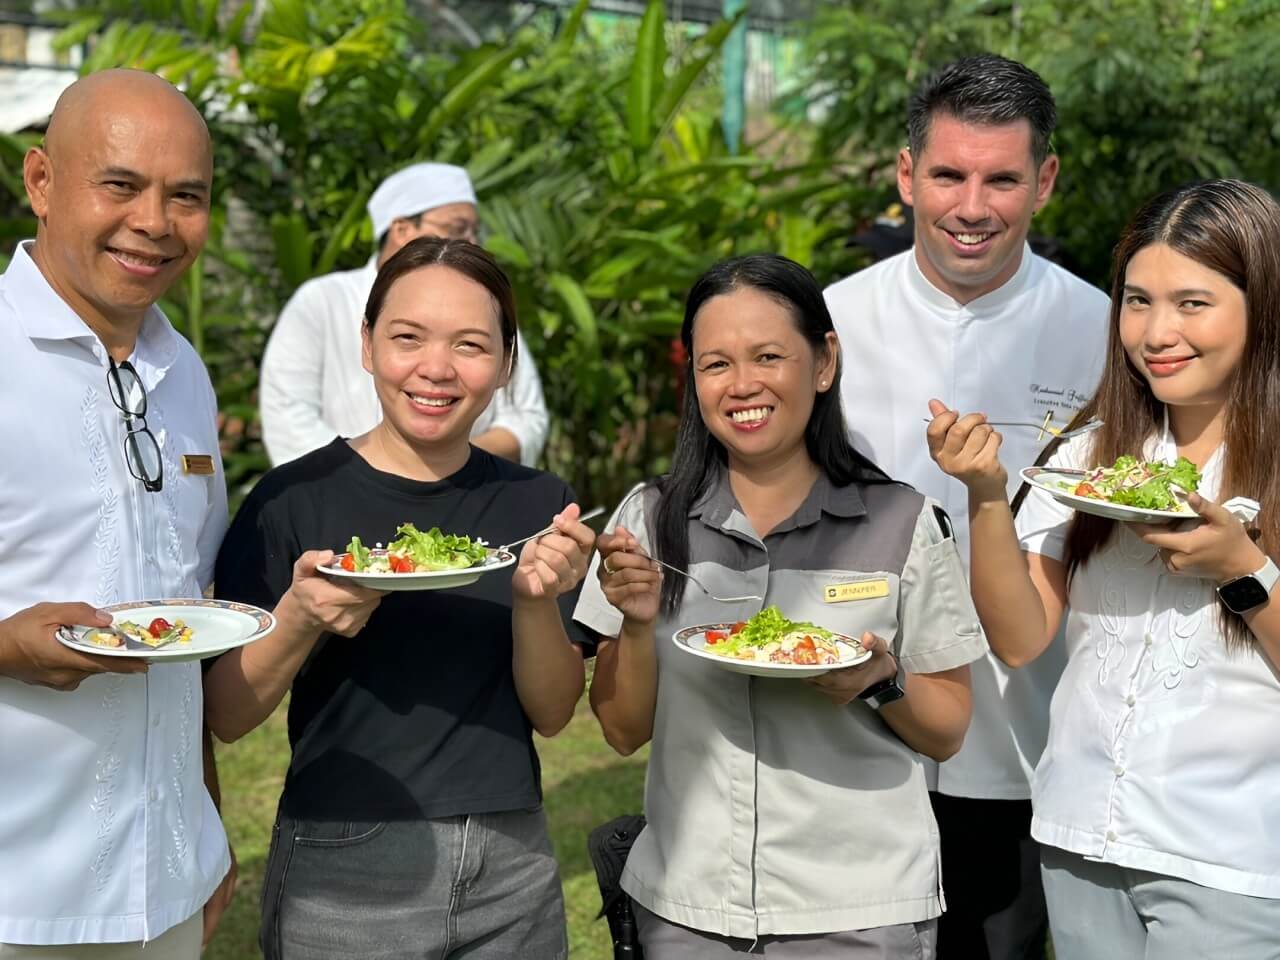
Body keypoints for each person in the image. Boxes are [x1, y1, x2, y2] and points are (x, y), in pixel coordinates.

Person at [577, 254, 988, 958]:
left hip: (859, 911)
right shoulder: (650, 521)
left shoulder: (900, 521)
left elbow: (947, 729)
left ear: (823, 362)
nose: (743, 386)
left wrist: (879, 681)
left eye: (769, 356)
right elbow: (620, 730)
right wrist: (640, 625)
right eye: (715, 365)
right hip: (689, 908)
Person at [206, 237, 594, 960]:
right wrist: (297, 618)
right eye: (407, 338)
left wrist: (537, 601)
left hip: (513, 858)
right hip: (344, 856)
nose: (436, 369)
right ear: (366, 345)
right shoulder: (292, 499)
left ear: (507, 363)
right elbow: (227, 715)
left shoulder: (538, 503)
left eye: (471, 344)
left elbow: (553, 710)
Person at [928, 178, 1280, 960]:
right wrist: (986, 495)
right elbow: (1020, 638)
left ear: (1263, 309)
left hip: (1231, 855)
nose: (1156, 332)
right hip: (1080, 832)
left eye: (1192, 303)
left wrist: (1244, 569)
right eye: (1137, 301)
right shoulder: (1088, 456)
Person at [823, 53, 1110, 959]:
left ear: (1045, 182)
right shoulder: (828, 326)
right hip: (849, 725)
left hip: (1029, 734)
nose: (972, 206)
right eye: (948, 174)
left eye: (1002, 179)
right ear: (906, 175)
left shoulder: (1106, 334)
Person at [0, 70, 235, 957]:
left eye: (187, 197)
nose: (155, 223)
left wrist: (204, 829)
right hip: (16, 892)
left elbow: (184, 611)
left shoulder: (184, 373)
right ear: (41, 182)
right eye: (121, 185)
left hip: (166, 880)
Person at [259, 161, 549, 467]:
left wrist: (451, 464)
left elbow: (526, 416)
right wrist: (375, 478)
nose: (472, 243)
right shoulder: (322, 302)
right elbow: (289, 413)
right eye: (457, 229)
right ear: (401, 229)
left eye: (475, 231)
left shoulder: (485, 306)